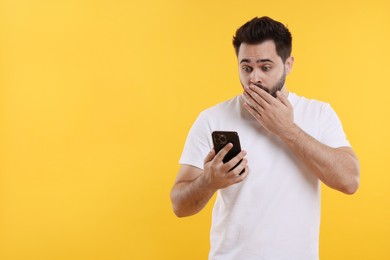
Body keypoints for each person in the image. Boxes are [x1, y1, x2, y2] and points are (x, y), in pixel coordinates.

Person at [170, 16, 360, 260]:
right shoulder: (212, 118)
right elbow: (179, 206)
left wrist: (287, 130)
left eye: (265, 67)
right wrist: (209, 180)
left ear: (288, 64)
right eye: (246, 67)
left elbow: (350, 181)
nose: (254, 78)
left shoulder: (319, 114)